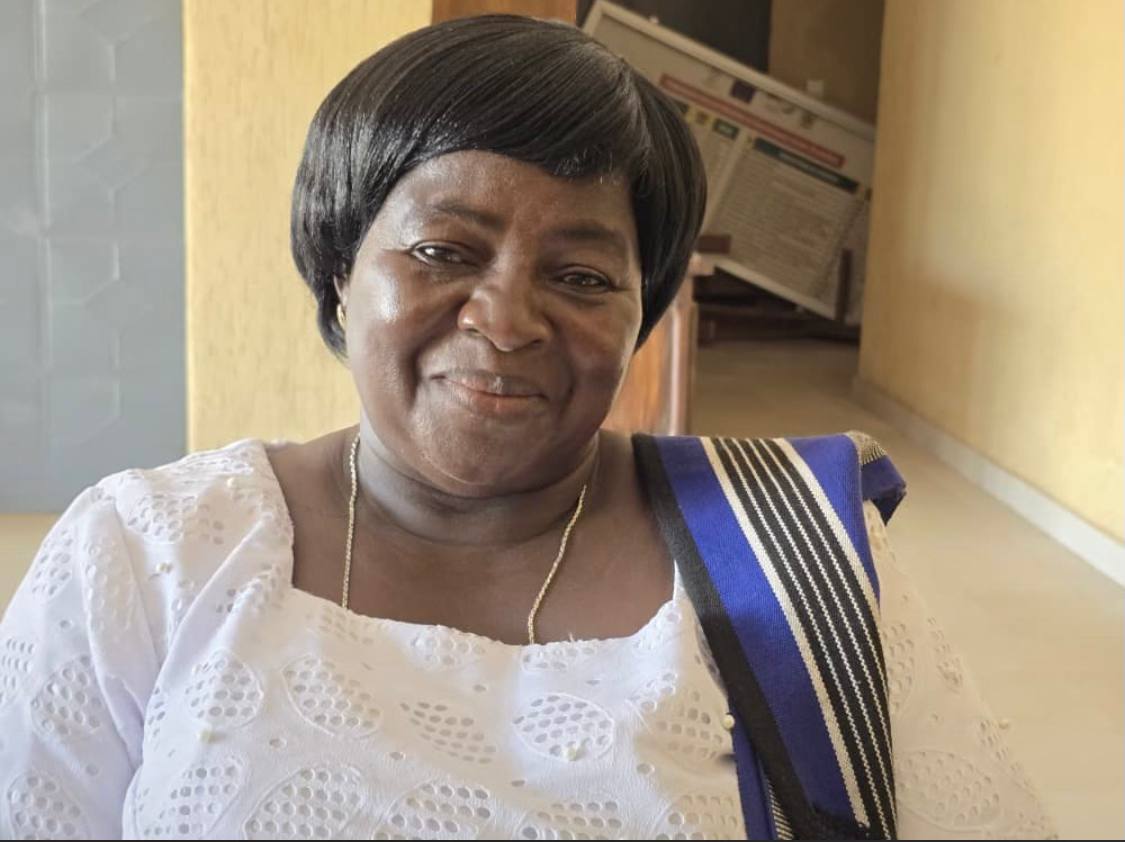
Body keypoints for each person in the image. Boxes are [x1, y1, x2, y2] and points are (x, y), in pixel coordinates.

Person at [0, 14, 1053, 840]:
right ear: (339, 268)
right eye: (442, 252)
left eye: (582, 275)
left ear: (641, 314)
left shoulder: (796, 553)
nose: (505, 322)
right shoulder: (148, 552)